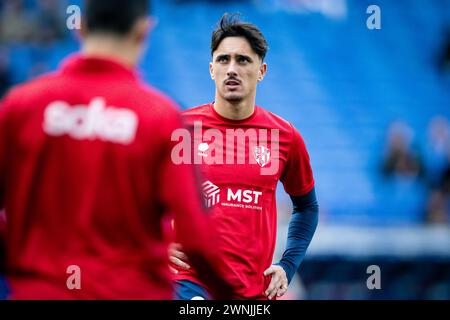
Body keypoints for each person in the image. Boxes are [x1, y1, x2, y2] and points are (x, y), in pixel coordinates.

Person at [0, 0, 233, 299]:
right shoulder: (162, 117)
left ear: (80, 27)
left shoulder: (20, 106)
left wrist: (22, 258)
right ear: (143, 31)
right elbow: (197, 238)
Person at [170, 13, 319, 300]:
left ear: (261, 70)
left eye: (243, 60)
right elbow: (136, 196)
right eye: (224, 60)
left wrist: (288, 265)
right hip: (190, 282)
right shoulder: (179, 129)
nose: (232, 69)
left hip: (253, 291)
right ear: (211, 69)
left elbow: (307, 207)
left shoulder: (284, 136)